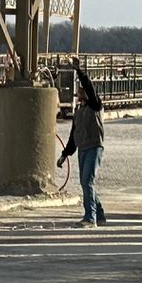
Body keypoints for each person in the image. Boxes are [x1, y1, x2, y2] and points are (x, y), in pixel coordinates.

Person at [57, 60, 107, 226]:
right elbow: (74, 135)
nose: (79, 92)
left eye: (81, 90)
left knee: (87, 182)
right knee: (87, 183)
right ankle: (99, 214)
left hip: (94, 147)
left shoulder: (95, 105)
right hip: (83, 149)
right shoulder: (79, 111)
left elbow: (90, 87)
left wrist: (79, 71)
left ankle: (90, 218)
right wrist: (65, 155)